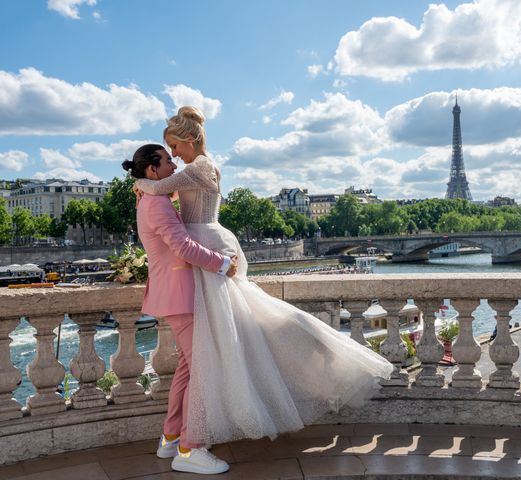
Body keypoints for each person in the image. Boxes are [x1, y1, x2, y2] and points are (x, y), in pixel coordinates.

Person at [133, 106, 393, 449]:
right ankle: (176, 437)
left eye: (175, 148)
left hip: (209, 249)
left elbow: (159, 187)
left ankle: (187, 443)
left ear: (188, 141)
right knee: (211, 350)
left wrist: (138, 182)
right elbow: (166, 195)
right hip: (207, 249)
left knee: (216, 350)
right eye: (170, 153)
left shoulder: (198, 167)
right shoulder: (197, 169)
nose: (176, 157)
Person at [122, 144, 237, 475]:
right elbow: (183, 246)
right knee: (202, 368)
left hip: (173, 293)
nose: (174, 163)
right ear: (152, 169)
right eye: (168, 159)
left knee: (188, 367)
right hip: (180, 294)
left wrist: (146, 184)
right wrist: (222, 263)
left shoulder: (153, 198)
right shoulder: (156, 205)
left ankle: (171, 437)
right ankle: (191, 448)